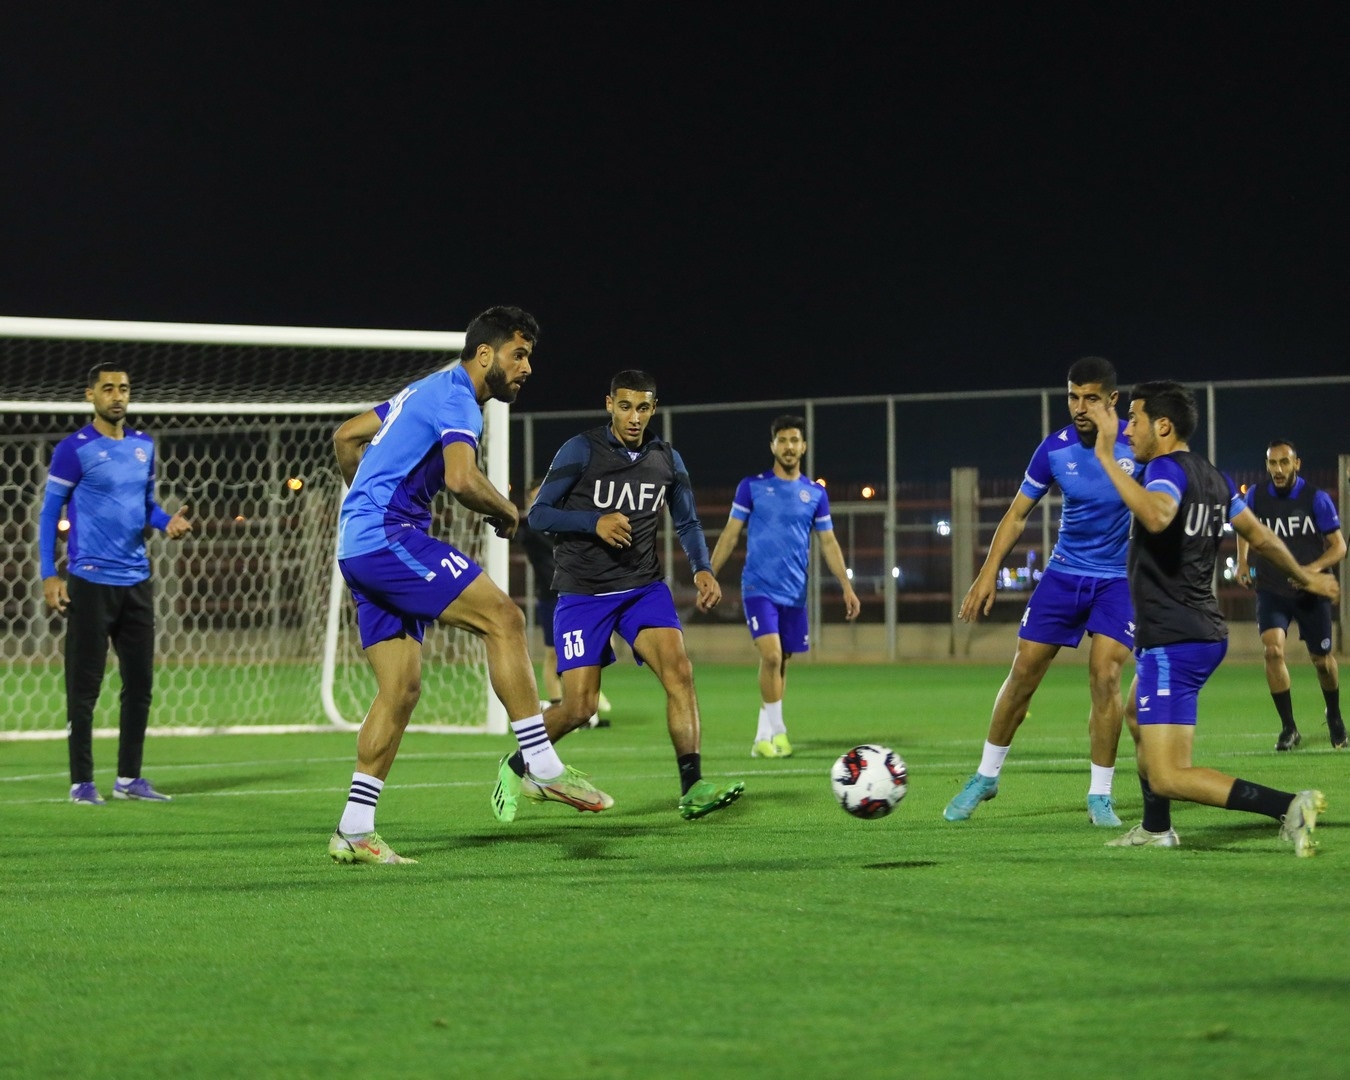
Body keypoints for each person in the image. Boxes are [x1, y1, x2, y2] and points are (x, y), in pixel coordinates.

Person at [328, 305, 610, 865]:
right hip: (386, 538)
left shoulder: (420, 391)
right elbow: (461, 479)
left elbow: (345, 437)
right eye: (519, 355)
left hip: (360, 546)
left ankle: (354, 829)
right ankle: (540, 764)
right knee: (503, 618)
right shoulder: (458, 397)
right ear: (486, 355)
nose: (527, 368)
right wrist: (507, 510)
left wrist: (362, 501)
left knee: (400, 690)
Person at [1081, 382, 1337, 855]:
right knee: (1135, 715)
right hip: (1197, 631)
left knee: (1169, 774)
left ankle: (1287, 806)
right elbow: (1260, 536)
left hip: (1174, 639)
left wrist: (1103, 457)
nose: (1128, 430)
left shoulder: (1164, 470)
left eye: (1135, 419)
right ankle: (1155, 828)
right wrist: (1305, 575)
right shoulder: (1213, 476)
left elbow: (1158, 514)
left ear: (1163, 426)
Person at [505, 369, 745, 820]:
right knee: (580, 707)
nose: (634, 417)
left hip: (642, 589)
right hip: (583, 593)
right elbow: (538, 515)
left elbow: (688, 522)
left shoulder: (666, 459)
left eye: (643, 408)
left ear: (654, 409)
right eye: (625, 406)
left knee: (680, 672)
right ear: (609, 404)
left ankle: (693, 786)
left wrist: (703, 568)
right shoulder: (581, 449)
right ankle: (519, 762)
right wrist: (593, 522)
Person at [944, 356, 1135, 827]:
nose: (1080, 407)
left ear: (1113, 399)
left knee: (1105, 677)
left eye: (1091, 398)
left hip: (1118, 581)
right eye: (1073, 397)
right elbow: (1016, 515)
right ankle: (986, 776)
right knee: (1023, 671)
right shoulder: (1054, 449)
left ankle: (1100, 796)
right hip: (1064, 575)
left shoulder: (1140, 445)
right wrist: (988, 573)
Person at [38, 366, 192, 805]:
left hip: (136, 581)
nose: (117, 396)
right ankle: (82, 782)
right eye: (108, 389)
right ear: (91, 395)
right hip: (89, 581)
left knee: (139, 685)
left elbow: (146, 506)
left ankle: (129, 778)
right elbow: (49, 513)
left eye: (123, 388)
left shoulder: (144, 446)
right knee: (84, 687)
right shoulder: (74, 449)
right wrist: (49, 573)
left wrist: (166, 522)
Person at [709, 414, 860, 758]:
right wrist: (708, 573)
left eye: (795, 440)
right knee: (772, 655)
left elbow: (829, 542)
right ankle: (780, 731)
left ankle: (762, 738)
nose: (789, 447)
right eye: (783, 440)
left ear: (803, 447)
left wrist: (846, 586)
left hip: (794, 592)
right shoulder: (752, 487)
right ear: (772, 446)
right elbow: (731, 534)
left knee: (781, 662)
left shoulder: (815, 493)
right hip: (758, 588)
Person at [1235, 439, 1347, 750]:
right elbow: (1245, 528)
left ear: (1296, 464)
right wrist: (1243, 561)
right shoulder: (1256, 495)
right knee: (1272, 651)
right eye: (1272, 463)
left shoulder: (1316, 498)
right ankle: (1289, 728)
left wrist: (1310, 571)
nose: (1278, 469)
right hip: (1272, 588)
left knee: (1322, 661)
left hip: (1310, 591)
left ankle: (1334, 714)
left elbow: (1339, 546)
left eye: (1284, 462)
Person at [516, 479, 611, 727]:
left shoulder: (566, 522)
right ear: (529, 502)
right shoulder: (529, 528)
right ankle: (560, 706)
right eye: (535, 497)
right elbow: (513, 532)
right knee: (554, 654)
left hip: (578, 594)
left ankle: (583, 703)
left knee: (591, 648)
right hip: (550, 597)